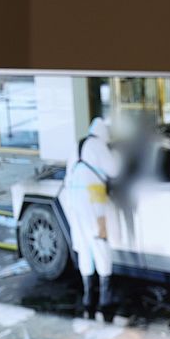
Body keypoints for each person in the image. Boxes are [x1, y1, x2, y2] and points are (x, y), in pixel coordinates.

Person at [64, 117, 121, 319]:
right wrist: (116, 155)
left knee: (84, 246)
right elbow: (115, 170)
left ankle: (88, 297)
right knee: (100, 243)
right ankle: (106, 299)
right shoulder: (99, 145)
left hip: (74, 200)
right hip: (94, 200)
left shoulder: (77, 145)